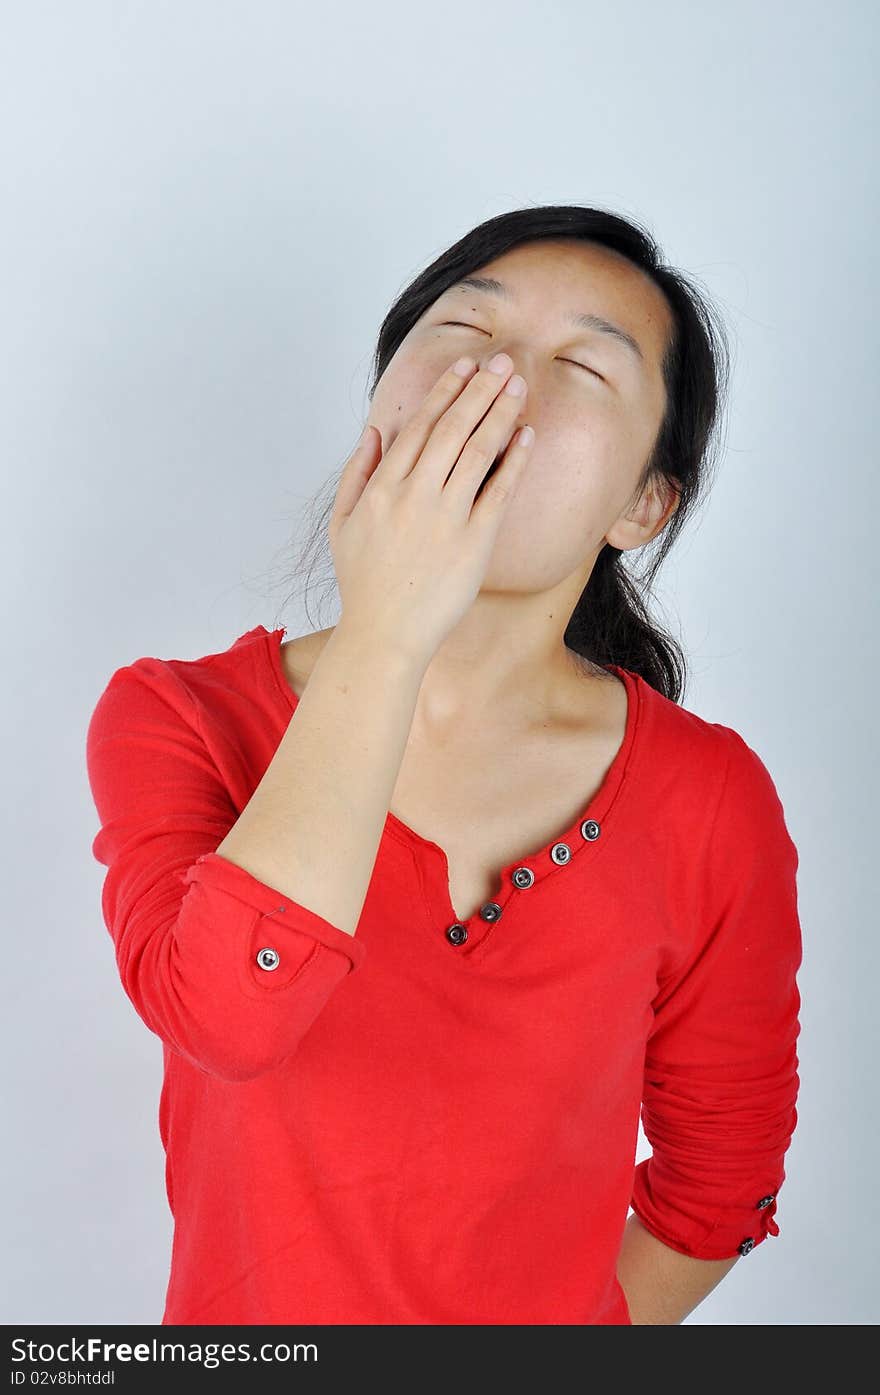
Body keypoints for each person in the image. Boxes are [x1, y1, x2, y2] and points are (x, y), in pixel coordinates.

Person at [85, 205, 803, 1326]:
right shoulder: (177, 718)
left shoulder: (709, 798)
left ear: (642, 504)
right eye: (464, 331)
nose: (499, 386)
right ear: (384, 402)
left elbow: (721, 1183)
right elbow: (229, 1018)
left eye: (579, 365)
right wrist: (386, 632)